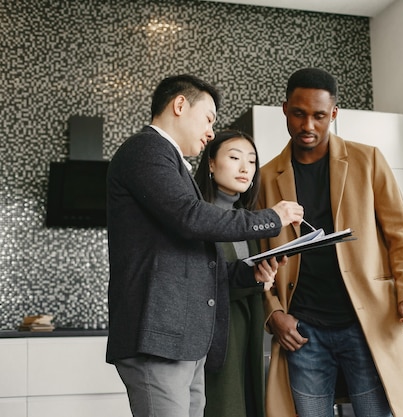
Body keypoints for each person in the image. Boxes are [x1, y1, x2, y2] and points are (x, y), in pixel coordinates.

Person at [106, 74, 303, 417]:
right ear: (179, 105)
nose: (211, 131)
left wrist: (249, 274)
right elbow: (192, 217)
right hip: (160, 338)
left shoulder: (168, 162)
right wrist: (272, 217)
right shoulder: (146, 149)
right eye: (209, 118)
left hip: (183, 342)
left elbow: (198, 263)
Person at [258, 68, 403, 417]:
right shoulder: (266, 178)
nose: (308, 125)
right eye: (299, 114)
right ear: (285, 108)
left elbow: (402, 235)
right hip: (302, 329)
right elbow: (259, 257)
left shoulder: (369, 160)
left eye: (319, 116)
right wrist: (273, 312)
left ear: (334, 113)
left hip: (368, 322)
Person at [194, 129, 273, 417]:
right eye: (234, 157)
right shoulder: (198, 217)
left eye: (251, 161)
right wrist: (252, 279)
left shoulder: (246, 220)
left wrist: (262, 277)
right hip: (217, 338)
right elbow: (203, 282)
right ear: (211, 163)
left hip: (249, 331)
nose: (245, 168)